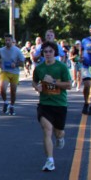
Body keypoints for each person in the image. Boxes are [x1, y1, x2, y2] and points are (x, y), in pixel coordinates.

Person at [32, 41, 72, 172]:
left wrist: (53, 82)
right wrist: (37, 87)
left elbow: (69, 85)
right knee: (47, 129)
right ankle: (50, 161)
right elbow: (34, 82)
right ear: (42, 53)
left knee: (58, 132)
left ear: (55, 53)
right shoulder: (39, 68)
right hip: (45, 104)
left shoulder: (61, 67)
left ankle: (60, 138)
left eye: (50, 51)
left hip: (59, 104)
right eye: (45, 52)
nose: (48, 54)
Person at [0, 34, 23, 115]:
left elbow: (22, 62)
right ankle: (5, 102)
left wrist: (16, 64)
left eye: (9, 40)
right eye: (6, 40)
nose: (7, 42)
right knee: (2, 88)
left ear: (12, 41)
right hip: (5, 72)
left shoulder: (17, 50)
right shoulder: (1, 50)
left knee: (13, 91)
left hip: (15, 72)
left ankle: (12, 106)